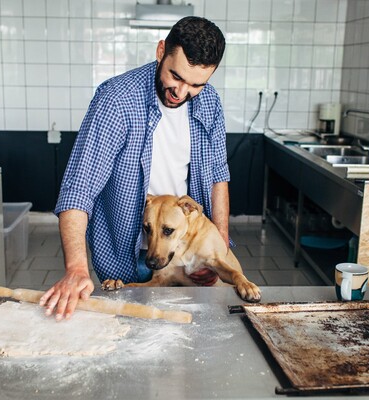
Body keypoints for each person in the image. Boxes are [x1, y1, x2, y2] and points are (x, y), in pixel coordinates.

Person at [40, 16, 229, 320]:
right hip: (128, 258)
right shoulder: (116, 100)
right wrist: (76, 268)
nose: (181, 92)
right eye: (175, 77)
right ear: (160, 52)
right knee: (130, 345)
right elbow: (80, 187)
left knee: (189, 347)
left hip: (189, 256)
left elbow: (218, 175)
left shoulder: (209, 102)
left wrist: (218, 248)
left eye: (195, 85)